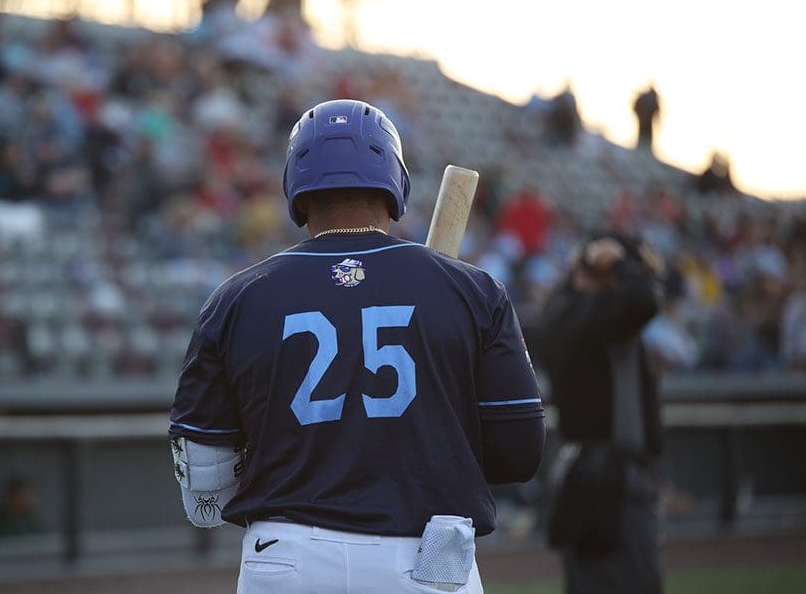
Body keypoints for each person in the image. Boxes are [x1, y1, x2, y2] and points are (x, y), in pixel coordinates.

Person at [169, 99, 545, 594]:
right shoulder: (472, 290)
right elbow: (518, 455)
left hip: (285, 557)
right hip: (428, 557)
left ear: (296, 188)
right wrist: (435, 430)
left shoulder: (238, 296)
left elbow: (206, 490)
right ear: (395, 182)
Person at [540, 234, 664, 594]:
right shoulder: (594, 314)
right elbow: (644, 299)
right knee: (634, 582)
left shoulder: (564, 310)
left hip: (584, 470)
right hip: (610, 475)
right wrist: (614, 262)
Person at [633, 84, 660, 152]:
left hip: (646, 124)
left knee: (646, 140)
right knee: (644, 140)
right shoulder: (649, 98)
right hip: (644, 124)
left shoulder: (648, 98)